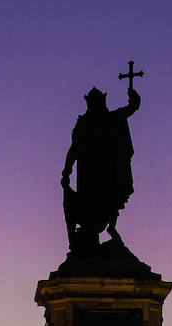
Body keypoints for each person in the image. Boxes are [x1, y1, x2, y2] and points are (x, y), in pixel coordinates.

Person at [62, 85, 140, 249]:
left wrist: (133, 97)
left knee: (109, 201)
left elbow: (131, 108)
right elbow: (74, 148)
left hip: (107, 172)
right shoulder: (84, 123)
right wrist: (67, 170)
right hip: (87, 175)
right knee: (90, 205)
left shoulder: (110, 119)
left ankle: (110, 228)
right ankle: (89, 239)